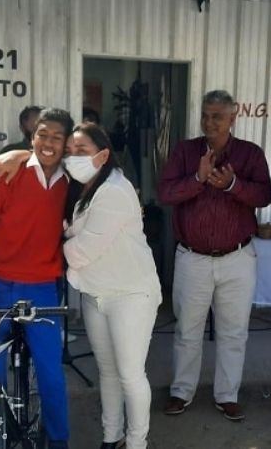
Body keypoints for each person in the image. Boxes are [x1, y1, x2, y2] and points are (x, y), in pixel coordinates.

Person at [0, 108, 74, 449]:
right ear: (31, 136)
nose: (48, 143)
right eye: (42, 135)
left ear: (67, 144)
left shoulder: (72, 182)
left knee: (52, 373)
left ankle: (58, 440)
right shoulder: (2, 175)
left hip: (42, 289)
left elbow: (100, 161)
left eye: (57, 137)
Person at [158, 90, 271, 421]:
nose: (209, 121)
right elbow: (165, 193)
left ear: (233, 118)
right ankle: (181, 391)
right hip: (192, 257)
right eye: (206, 115)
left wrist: (233, 185)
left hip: (237, 258)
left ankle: (227, 394)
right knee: (187, 329)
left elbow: (263, 195)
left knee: (234, 331)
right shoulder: (185, 151)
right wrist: (197, 178)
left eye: (217, 116)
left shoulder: (250, 154)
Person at [62, 123, 161, 449]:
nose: (72, 157)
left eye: (81, 151)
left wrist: (61, 243)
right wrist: (70, 239)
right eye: (70, 151)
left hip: (130, 295)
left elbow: (83, 250)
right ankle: (111, 436)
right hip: (96, 293)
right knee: (107, 371)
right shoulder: (83, 187)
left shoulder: (116, 189)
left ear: (103, 155)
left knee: (130, 375)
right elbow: (77, 239)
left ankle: (136, 442)